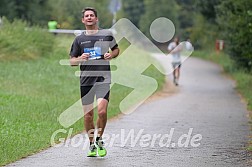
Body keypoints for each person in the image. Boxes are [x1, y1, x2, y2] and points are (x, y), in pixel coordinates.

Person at [69, 7, 120, 157]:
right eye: (87, 16)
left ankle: (99, 139)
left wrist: (111, 55)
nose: (90, 17)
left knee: (102, 111)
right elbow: (72, 62)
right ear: (83, 20)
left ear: (96, 19)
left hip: (103, 78)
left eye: (92, 15)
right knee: (88, 116)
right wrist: (80, 58)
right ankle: (91, 144)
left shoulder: (106, 35)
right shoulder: (79, 39)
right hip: (86, 81)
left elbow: (116, 50)